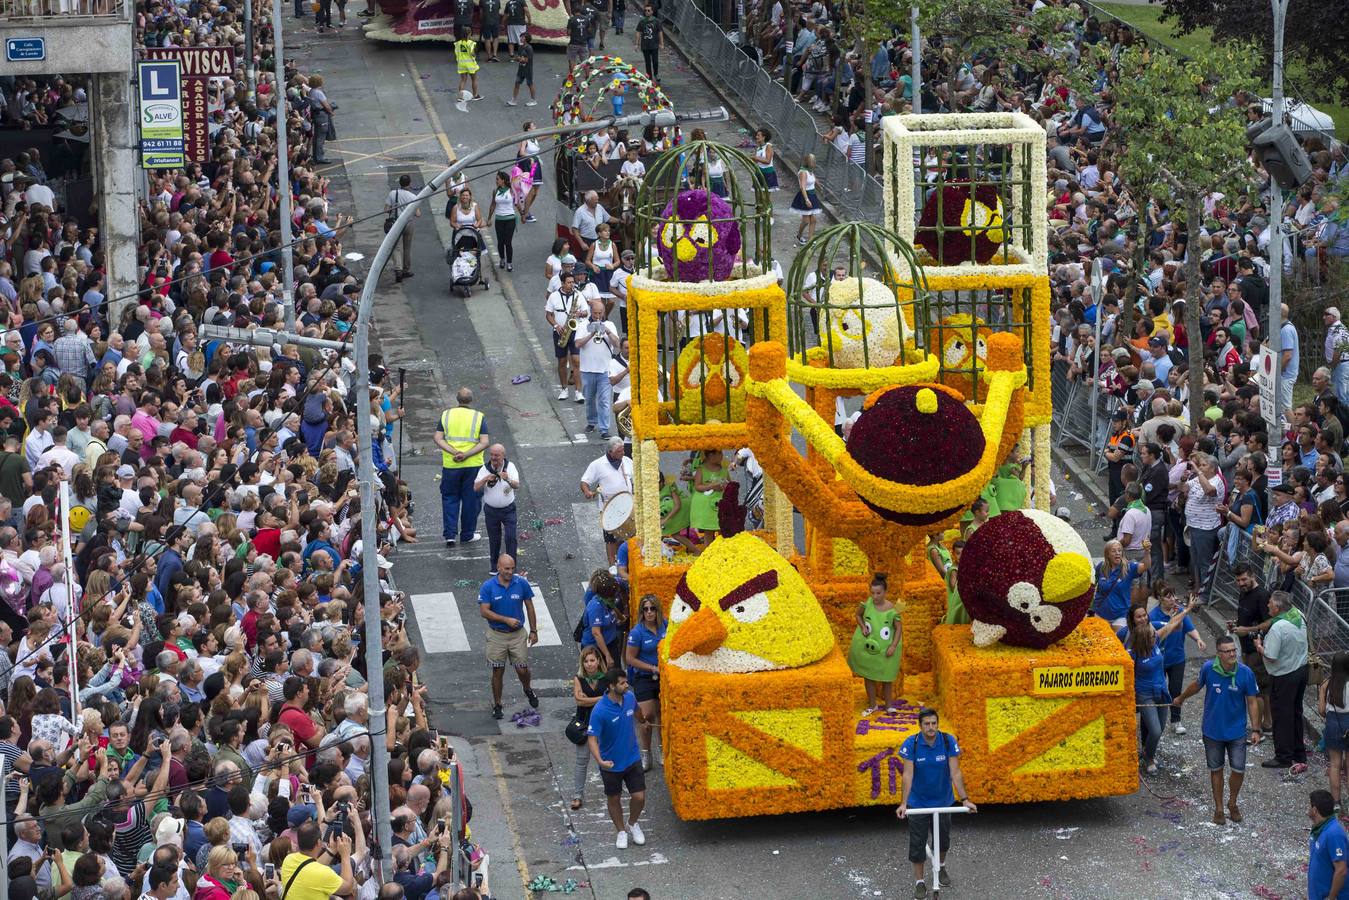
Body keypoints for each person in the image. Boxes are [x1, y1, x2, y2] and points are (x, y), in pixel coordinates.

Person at [1172, 635, 1258, 825]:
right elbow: (1197, 685)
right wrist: (1181, 698)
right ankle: (1219, 807)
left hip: (1236, 731)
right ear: (1218, 654)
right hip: (1212, 730)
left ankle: (1232, 802)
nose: (1232, 654)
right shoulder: (1208, 669)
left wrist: (1256, 729)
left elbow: (1252, 701)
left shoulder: (1246, 673)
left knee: (1238, 770)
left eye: (1234, 650)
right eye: (1227, 651)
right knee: (1216, 770)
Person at [895, 708, 976, 899]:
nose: (931, 727)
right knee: (917, 844)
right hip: (918, 802)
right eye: (927, 724)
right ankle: (920, 882)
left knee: (943, 840)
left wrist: (965, 799)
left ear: (937, 724)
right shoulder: (912, 744)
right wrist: (904, 803)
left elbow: (955, 773)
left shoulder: (947, 741)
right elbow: (908, 775)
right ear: (920, 725)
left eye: (934, 723)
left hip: (943, 801)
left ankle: (940, 868)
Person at [1122, 598, 1199, 774]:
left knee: (1160, 728)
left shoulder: (1155, 639)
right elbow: (1126, 673)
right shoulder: (1134, 653)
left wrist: (1187, 610)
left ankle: (1147, 753)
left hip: (1161, 691)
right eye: (1151, 636)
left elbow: (1171, 625)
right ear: (1143, 639)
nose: (1155, 636)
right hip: (1145, 694)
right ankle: (1148, 759)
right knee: (1155, 730)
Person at [587, 669, 647, 850]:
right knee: (614, 799)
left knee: (639, 797)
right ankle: (621, 830)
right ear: (612, 686)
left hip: (632, 758)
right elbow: (592, 739)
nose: (626, 685)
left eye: (626, 682)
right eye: (622, 683)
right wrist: (600, 761)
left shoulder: (629, 697)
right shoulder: (600, 710)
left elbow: (637, 711)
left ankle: (633, 823)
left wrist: (643, 721)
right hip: (611, 764)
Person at [478, 554, 540, 720]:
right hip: (497, 635)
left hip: (517, 635)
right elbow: (484, 611)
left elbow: (530, 607)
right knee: (498, 670)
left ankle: (527, 688)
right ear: (498, 567)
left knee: (522, 668)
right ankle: (497, 704)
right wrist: (505, 619)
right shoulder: (488, 587)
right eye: (506, 569)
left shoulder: (521, 584)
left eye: (512, 568)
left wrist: (533, 631)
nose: (510, 572)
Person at [1255, 590, 1310, 772]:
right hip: (1301, 670)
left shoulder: (1278, 628)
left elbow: (1271, 656)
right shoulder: (1299, 614)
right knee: (1295, 713)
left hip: (1284, 675)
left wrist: (1259, 647)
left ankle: (1283, 756)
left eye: (1270, 603)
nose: (1267, 605)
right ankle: (1298, 753)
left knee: (1282, 717)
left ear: (1278, 608)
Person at [434, 387, 489, 547]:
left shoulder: (446, 415)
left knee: (450, 498)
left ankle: (450, 535)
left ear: (457, 399)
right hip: (473, 465)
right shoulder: (478, 417)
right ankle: (467, 534)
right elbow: (484, 442)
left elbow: (438, 438)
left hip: (451, 464)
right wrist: (466, 454)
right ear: (471, 400)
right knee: (471, 500)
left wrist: (454, 452)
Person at [1150, 582, 1205, 734]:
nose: (1173, 599)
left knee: (1175, 690)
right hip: (1159, 660)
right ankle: (1155, 720)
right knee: (1158, 690)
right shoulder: (1153, 616)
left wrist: (1198, 639)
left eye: (1174, 595)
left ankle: (1176, 720)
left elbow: (1190, 628)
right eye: (1168, 596)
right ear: (1159, 598)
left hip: (1177, 658)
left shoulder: (1180, 611)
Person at [847, 573, 902, 715]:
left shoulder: (893, 609)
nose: (875, 596)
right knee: (869, 676)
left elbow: (898, 628)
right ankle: (873, 704)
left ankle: (889, 705)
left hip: (885, 649)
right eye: (872, 593)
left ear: (885, 592)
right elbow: (858, 615)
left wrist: (893, 646)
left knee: (887, 677)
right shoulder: (867, 603)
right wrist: (863, 626)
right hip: (869, 647)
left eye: (878, 593)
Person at [625, 594, 666, 771]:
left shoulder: (667, 625)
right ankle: (645, 753)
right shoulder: (637, 632)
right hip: (644, 677)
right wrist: (651, 668)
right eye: (645, 609)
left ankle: (662, 750)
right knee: (646, 715)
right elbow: (630, 658)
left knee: (662, 714)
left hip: (663, 676)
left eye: (652, 608)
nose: (649, 612)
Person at [581, 437, 635, 566]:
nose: (622, 453)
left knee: (629, 535)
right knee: (610, 539)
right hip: (609, 507)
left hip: (628, 504)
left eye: (623, 450)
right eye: (619, 451)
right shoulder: (598, 464)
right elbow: (584, 481)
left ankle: (626, 561)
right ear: (610, 452)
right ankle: (612, 566)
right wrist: (587, 492)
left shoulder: (627, 461)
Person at [474, 444, 520, 575]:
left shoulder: (510, 467)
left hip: (508, 510)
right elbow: (475, 488)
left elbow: (517, 485)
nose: (493, 458)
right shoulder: (485, 468)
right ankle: (495, 567)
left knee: (511, 538)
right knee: (494, 540)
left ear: (503, 456)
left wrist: (508, 479)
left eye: (496, 455)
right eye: (492, 455)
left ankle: (512, 567)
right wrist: (485, 479)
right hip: (491, 511)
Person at [577, 299, 620, 438]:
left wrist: (606, 331)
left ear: (603, 313)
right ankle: (591, 421)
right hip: (587, 369)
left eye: (600, 313)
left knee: (604, 401)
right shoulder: (583, 325)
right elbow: (578, 344)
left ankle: (604, 429)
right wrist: (591, 333)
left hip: (605, 370)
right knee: (589, 399)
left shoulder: (610, 324)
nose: (597, 316)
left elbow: (618, 344)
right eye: (595, 313)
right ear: (591, 312)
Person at [571, 645, 606, 810]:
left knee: (606, 758)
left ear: (598, 661)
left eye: (592, 660)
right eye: (586, 661)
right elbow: (579, 701)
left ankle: (612, 790)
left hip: (604, 725)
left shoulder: (606, 678)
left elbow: (612, 699)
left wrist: (588, 699)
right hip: (584, 724)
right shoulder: (579, 678)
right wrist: (601, 698)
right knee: (581, 761)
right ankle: (577, 795)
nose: (589, 664)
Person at [546, 272, 589, 403]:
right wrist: (556, 326)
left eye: (572, 282)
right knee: (562, 362)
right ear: (563, 283)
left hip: (576, 331)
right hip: (560, 332)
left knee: (576, 361)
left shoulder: (578, 295)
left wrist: (580, 313)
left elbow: (586, 312)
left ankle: (578, 392)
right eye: (569, 282)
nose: (572, 285)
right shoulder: (553, 296)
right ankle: (564, 389)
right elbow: (548, 315)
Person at [1320, 653, 1349, 811]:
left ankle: (1336, 802)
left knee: (1335, 765)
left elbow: (1321, 710)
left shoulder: (1327, 684)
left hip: (1333, 722)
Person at [1308, 789, 1349, 900]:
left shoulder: (1334, 834)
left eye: (1309, 805)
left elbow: (1341, 870)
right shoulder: (1319, 829)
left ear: (1315, 810)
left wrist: (1331, 897)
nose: (1307, 809)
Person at [385, 173, 420, 283]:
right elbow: (418, 214)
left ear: (399, 183)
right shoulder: (413, 197)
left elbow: (386, 210)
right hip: (408, 223)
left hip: (395, 223)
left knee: (396, 247)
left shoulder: (392, 193)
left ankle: (398, 269)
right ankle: (406, 269)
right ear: (409, 184)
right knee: (407, 247)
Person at [485, 171, 518, 271]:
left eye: (497, 179)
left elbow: (516, 203)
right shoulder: (495, 191)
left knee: (508, 242)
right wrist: (489, 218)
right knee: (500, 242)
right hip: (499, 220)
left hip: (510, 219)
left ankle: (509, 262)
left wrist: (523, 213)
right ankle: (502, 259)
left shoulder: (511, 190)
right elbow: (493, 205)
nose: (496, 181)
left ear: (503, 180)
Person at [791, 154, 821, 245]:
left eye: (814, 161)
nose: (813, 163)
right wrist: (806, 200)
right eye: (811, 162)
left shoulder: (810, 171)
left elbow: (814, 180)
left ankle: (810, 239)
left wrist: (820, 187)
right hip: (805, 196)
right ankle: (799, 235)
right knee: (806, 220)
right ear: (807, 162)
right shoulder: (803, 172)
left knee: (814, 220)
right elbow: (803, 187)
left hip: (812, 195)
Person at [508, 32, 537, 106]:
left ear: (526, 39)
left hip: (528, 69)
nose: (521, 38)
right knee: (517, 83)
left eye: (522, 37)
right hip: (521, 69)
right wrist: (519, 58)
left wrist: (520, 59)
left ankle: (533, 100)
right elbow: (518, 58)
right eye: (521, 37)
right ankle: (514, 100)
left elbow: (527, 60)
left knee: (530, 84)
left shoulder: (529, 48)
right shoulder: (520, 47)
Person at [454, 27, 482, 102]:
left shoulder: (458, 44)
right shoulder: (471, 43)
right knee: (474, 79)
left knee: (463, 80)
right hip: (470, 65)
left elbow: (456, 53)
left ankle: (460, 97)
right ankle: (475, 95)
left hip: (461, 64)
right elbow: (472, 54)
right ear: (469, 34)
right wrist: (474, 55)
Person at [634, 4, 661, 82]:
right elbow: (638, 32)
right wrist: (636, 44)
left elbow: (660, 32)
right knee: (647, 62)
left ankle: (656, 74)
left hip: (654, 45)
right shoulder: (642, 22)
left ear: (652, 11)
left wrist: (661, 43)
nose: (647, 12)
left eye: (648, 10)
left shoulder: (656, 21)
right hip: (645, 45)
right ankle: (649, 76)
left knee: (655, 61)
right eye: (645, 10)